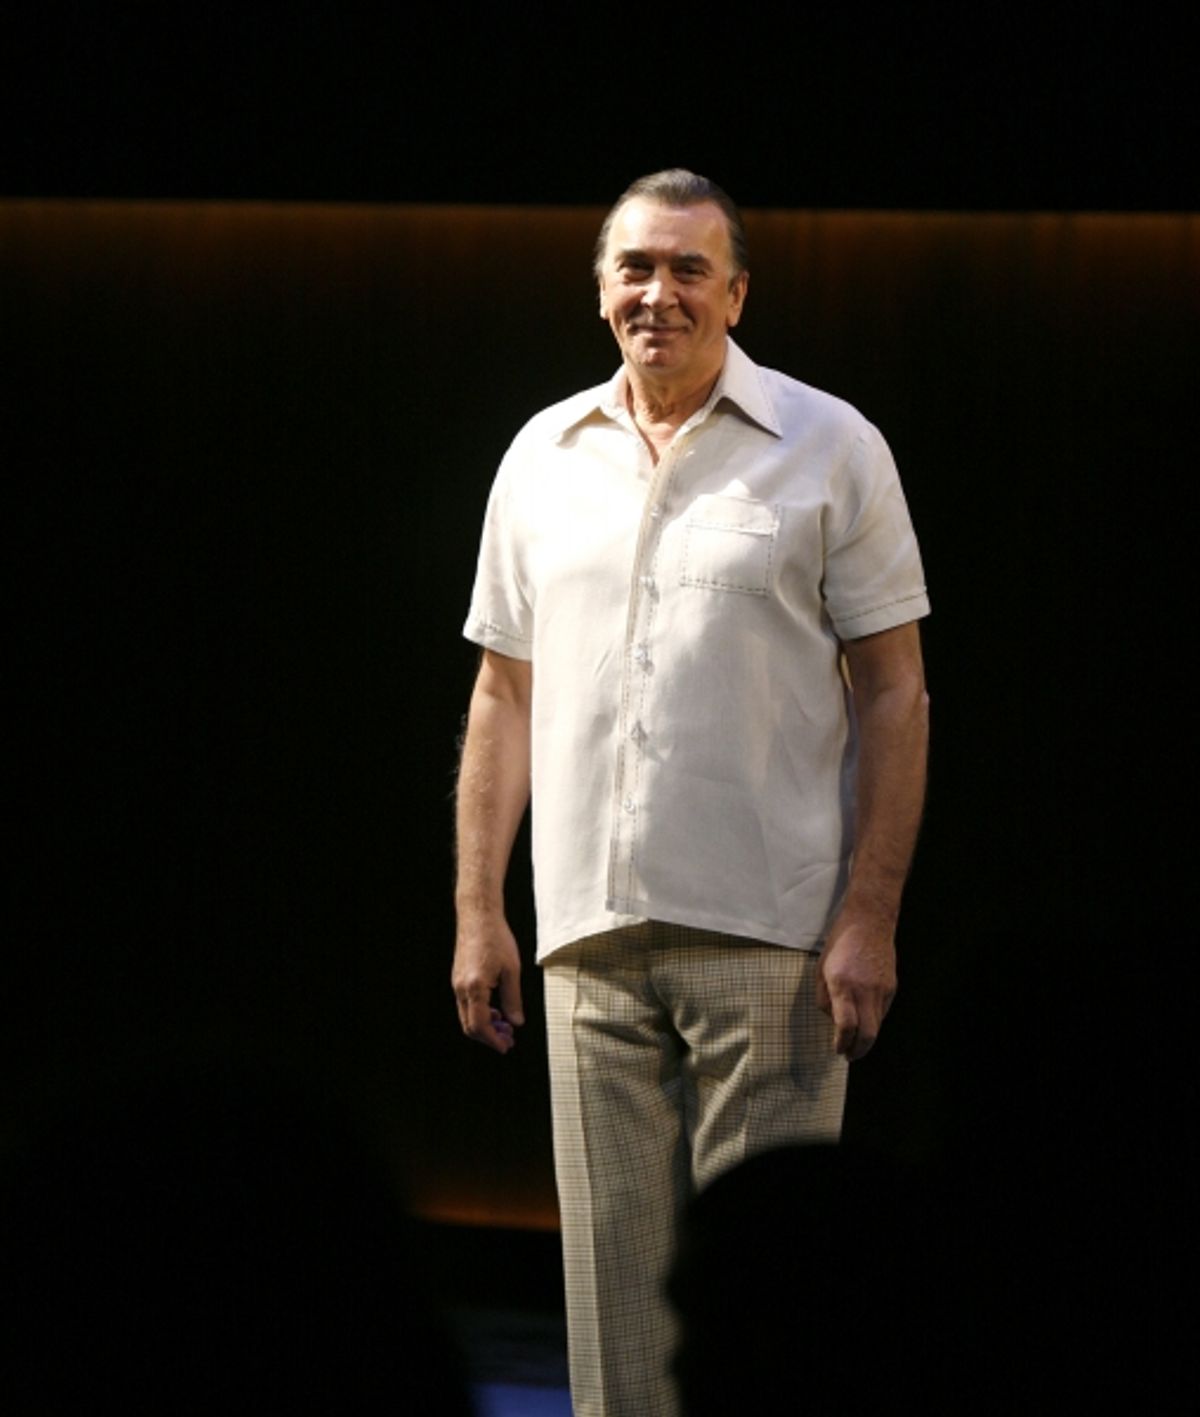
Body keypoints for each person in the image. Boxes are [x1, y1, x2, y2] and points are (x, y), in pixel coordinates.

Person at [452, 169, 929, 1417]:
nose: (658, 293)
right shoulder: (543, 455)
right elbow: (503, 693)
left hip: (774, 935)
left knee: (773, 1304)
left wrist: (870, 915)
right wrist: (479, 911)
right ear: (601, 289)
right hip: (588, 934)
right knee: (612, 1314)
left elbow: (896, 693)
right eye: (635, 268)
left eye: (688, 269)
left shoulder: (831, 445)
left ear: (737, 292)